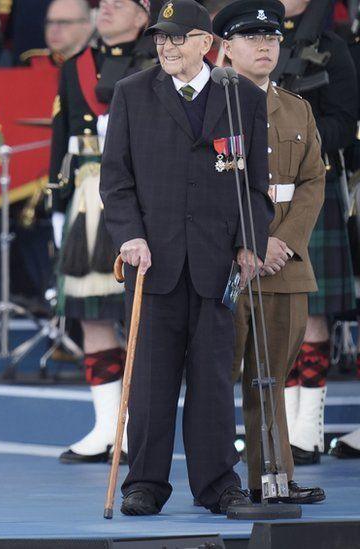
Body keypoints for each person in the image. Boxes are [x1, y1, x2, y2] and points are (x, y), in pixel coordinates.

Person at [100, 0, 273, 515]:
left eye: (178, 38)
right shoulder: (131, 94)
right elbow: (116, 181)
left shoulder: (242, 96)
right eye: (161, 38)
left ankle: (218, 482)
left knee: (214, 380)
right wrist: (129, 236)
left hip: (217, 265)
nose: (167, 46)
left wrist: (249, 242)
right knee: (151, 381)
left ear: (206, 43)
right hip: (153, 264)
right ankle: (146, 483)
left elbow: (256, 188)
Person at [213, 0, 326, 505]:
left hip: (282, 263)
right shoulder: (211, 103)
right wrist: (250, 243)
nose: (265, 46)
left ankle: (273, 477)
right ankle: (217, 482)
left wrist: (282, 243)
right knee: (217, 378)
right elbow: (209, 187)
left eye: (272, 38)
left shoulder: (296, 107)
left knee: (271, 378)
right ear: (226, 47)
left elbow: (312, 182)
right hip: (229, 263)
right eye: (252, 38)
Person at [49, 0, 156, 464]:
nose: (106, 9)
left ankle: (137, 426)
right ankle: (106, 425)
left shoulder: (159, 61)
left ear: (143, 16)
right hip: (89, 198)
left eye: (119, 3)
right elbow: (62, 139)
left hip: (146, 198)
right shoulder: (77, 67)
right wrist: (57, 207)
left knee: (142, 318)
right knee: (93, 315)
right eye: (102, 4)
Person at [273, 0, 359, 466]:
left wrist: (293, 144)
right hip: (257, 188)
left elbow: (345, 123)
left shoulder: (332, 47)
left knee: (312, 305)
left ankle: (309, 426)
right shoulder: (243, 40)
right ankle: (280, 423)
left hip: (310, 186)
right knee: (274, 308)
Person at [42, 0, 95, 65]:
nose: (54, 29)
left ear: (86, 26)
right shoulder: (31, 68)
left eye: (63, 22)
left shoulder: (102, 66)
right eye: (50, 22)